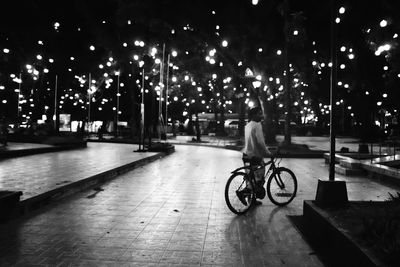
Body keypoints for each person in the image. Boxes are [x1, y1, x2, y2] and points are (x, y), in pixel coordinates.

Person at [239, 106, 270, 206]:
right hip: (254, 156)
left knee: (250, 177)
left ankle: (251, 200)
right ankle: (244, 193)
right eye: (259, 113)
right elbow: (261, 142)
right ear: (253, 115)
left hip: (246, 154)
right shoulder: (257, 125)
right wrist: (268, 153)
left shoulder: (247, 125)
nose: (261, 115)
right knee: (259, 175)